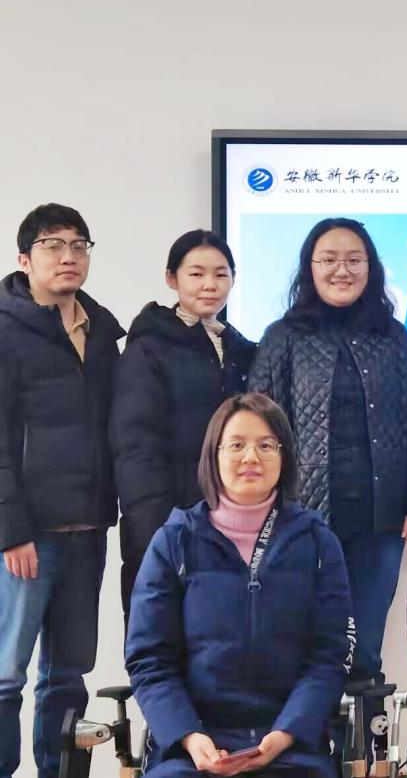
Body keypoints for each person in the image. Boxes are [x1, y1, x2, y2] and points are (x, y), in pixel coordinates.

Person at [250, 217, 407, 691]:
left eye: (354, 260)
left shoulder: (394, 337)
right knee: (307, 645)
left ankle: (363, 736)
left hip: (380, 520)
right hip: (302, 520)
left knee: (365, 648)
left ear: (371, 268)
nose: (342, 270)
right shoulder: (283, 337)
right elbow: (258, 428)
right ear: (309, 267)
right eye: (329, 259)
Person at [126, 392, 354, 778]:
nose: (251, 457)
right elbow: (149, 659)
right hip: (193, 749)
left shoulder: (318, 542)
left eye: (266, 445)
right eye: (236, 445)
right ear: (213, 456)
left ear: (284, 456)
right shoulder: (174, 541)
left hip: (292, 747)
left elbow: (331, 655)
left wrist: (286, 733)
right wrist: (189, 736)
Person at [0, 203, 123, 778]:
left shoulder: (101, 332)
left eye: (79, 244)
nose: (68, 255)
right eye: (53, 244)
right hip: (27, 535)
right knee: (6, 672)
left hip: (87, 526)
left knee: (69, 674)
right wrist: (10, 530)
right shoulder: (4, 330)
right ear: (25, 259)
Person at [112, 229, 256, 620]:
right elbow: (135, 446)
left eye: (221, 274)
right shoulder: (148, 349)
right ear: (172, 278)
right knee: (162, 629)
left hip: (232, 522)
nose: (210, 284)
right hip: (165, 522)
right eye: (196, 274)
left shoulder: (243, 351)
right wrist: (157, 529)